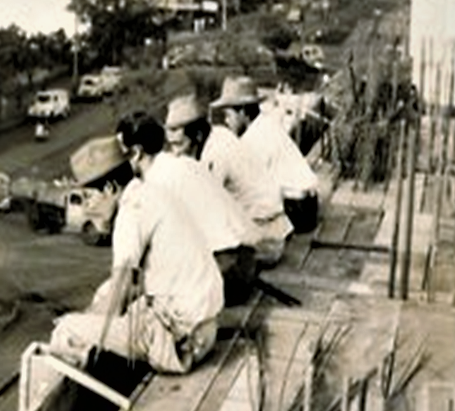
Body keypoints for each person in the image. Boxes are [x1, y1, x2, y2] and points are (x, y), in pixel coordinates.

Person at [49, 134, 224, 375]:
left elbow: (122, 290)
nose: (87, 207)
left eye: (89, 196)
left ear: (110, 188)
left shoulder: (130, 212)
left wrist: (89, 323)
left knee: (66, 329)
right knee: (104, 295)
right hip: (204, 329)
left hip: (181, 344)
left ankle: (75, 403)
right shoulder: (150, 192)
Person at [114, 111, 257, 306]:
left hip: (225, 273)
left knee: (145, 289)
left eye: (121, 153)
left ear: (137, 152)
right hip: (245, 261)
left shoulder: (154, 185)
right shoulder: (183, 163)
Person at [165, 93, 292, 267]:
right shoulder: (219, 134)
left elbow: (201, 211)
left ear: (198, 135)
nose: (177, 154)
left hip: (265, 241)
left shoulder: (214, 155)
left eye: (180, 146)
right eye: (172, 147)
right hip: (272, 230)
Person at [211, 77, 320, 234]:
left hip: (297, 209)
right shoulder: (267, 123)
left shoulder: (252, 140)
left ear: (242, 112)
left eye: (228, 115)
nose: (227, 121)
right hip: (308, 204)